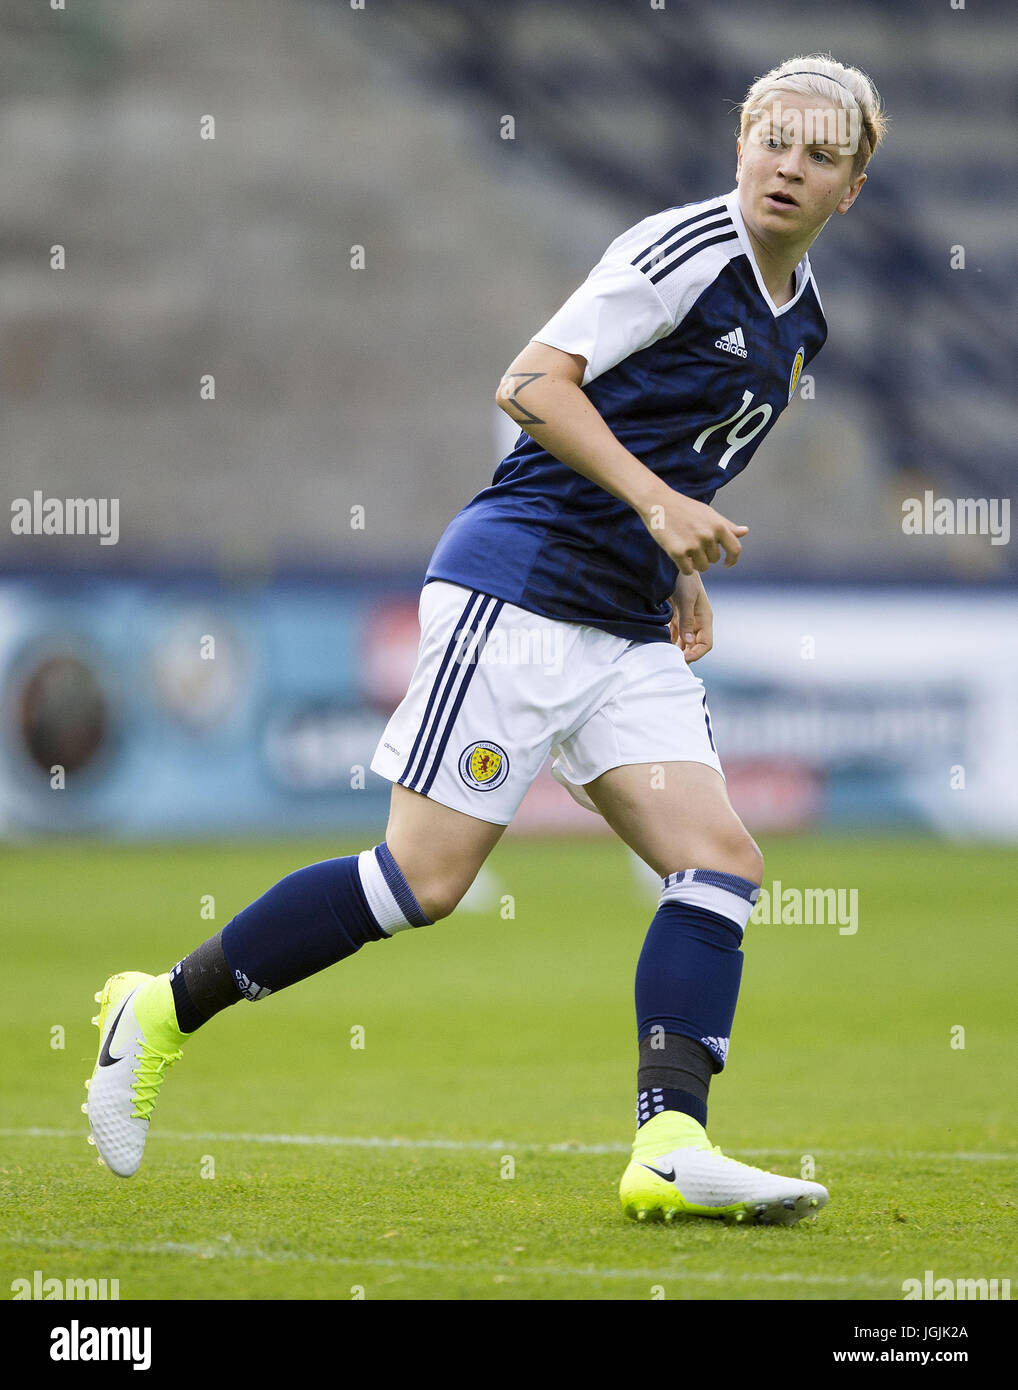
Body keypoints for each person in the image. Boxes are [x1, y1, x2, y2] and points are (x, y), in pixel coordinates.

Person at [86, 54, 886, 1225]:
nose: (787, 167)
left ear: (849, 190)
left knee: (719, 863)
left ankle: (668, 1143)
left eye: (818, 155)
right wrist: (657, 508)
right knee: (423, 881)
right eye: (773, 139)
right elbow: (532, 382)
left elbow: (673, 442)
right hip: (521, 586)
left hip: (623, 619)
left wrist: (669, 557)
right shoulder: (681, 251)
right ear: (739, 145)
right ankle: (155, 1009)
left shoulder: (800, 325)